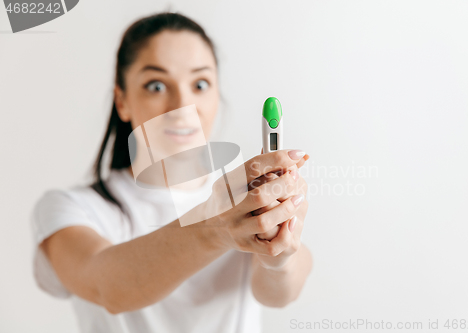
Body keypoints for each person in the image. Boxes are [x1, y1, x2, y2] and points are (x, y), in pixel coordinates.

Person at [30, 12, 313, 333]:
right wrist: (217, 226)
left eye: (200, 84)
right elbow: (108, 287)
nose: (182, 105)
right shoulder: (71, 208)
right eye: (156, 85)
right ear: (121, 101)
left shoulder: (247, 197)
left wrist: (277, 256)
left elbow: (281, 294)